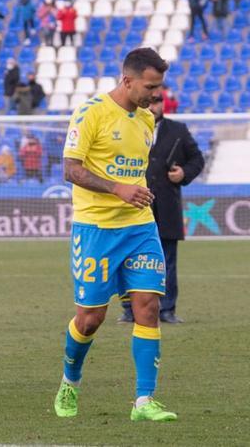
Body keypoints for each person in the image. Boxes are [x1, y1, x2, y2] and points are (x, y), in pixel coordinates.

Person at [54, 48, 177, 422]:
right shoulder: (91, 113)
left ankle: (144, 401)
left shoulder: (146, 120)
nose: (156, 95)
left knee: (149, 307)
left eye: (159, 87)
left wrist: (135, 193)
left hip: (139, 227)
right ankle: (69, 383)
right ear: (127, 80)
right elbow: (70, 170)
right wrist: (117, 188)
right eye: (150, 86)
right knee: (91, 318)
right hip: (95, 229)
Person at [119, 95, 204, 324]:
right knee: (130, 259)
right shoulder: (127, 125)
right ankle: (129, 309)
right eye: (151, 101)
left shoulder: (178, 130)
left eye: (158, 102)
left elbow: (197, 159)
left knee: (167, 260)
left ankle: (167, 310)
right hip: (134, 205)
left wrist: (183, 173)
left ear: (163, 104)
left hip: (167, 205)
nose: (153, 105)